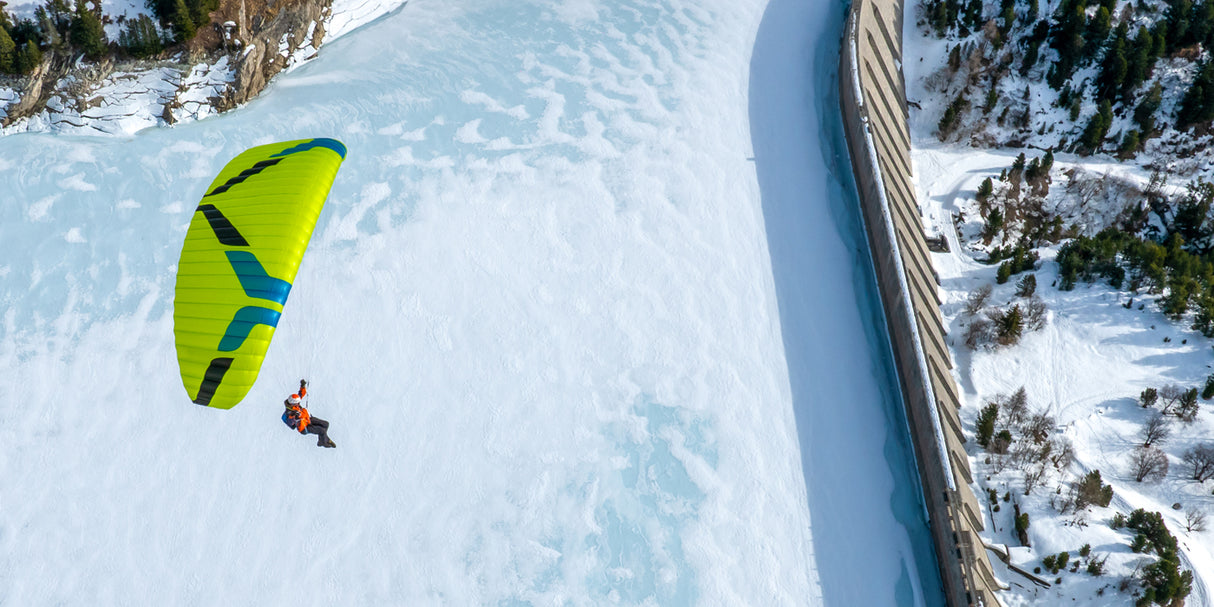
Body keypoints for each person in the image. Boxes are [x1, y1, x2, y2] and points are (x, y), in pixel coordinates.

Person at [282, 379, 336, 448]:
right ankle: (323, 442)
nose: (299, 404)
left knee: (325, 424)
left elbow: (300, 394)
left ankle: (323, 439)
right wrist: (294, 417)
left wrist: (302, 386)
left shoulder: (294, 405)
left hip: (308, 419)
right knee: (321, 431)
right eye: (297, 403)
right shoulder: (289, 412)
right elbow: (290, 422)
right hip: (304, 427)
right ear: (293, 403)